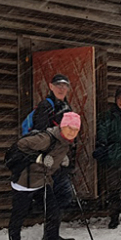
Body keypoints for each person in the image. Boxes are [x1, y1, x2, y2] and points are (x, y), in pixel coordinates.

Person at [8, 112, 81, 240]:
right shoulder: (46, 139)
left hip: (42, 181)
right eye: (69, 128)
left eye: (76, 129)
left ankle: (52, 238)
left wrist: (62, 163)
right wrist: (39, 157)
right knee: (18, 215)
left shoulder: (65, 142)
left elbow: (54, 158)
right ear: (62, 126)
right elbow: (20, 145)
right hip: (24, 181)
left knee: (53, 210)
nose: (72, 132)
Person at [94, 87, 121, 229]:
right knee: (114, 188)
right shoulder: (109, 115)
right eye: (119, 98)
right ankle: (114, 216)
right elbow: (102, 131)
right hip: (114, 155)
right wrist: (102, 146)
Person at [32, 74, 74, 220]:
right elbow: (41, 134)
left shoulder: (66, 107)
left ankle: (52, 229)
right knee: (55, 195)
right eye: (58, 85)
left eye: (65, 85)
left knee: (63, 196)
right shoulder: (46, 106)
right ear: (51, 87)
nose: (61, 88)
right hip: (50, 159)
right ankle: (51, 232)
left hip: (62, 158)